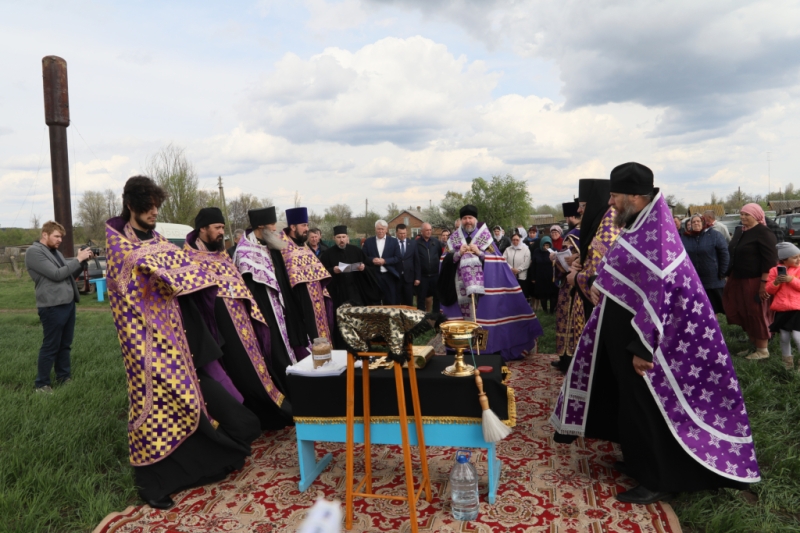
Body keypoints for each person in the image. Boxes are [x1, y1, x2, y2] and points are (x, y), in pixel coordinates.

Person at [552, 162, 760, 505]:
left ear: (635, 196)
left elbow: (659, 296)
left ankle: (659, 477)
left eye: (616, 196)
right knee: (631, 405)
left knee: (648, 407)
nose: (612, 203)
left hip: (651, 345)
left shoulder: (657, 234)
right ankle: (639, 461)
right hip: (629, 337)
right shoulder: (638, 225)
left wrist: (642, 347)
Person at [106, 176, 260, 510]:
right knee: (154, 407)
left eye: (156, 206)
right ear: (131, 205)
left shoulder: (160, 239)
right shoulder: (119, 246)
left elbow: (187, 275)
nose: (153, 212)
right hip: (145, 341)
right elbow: (127, 297)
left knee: (191, 403)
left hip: (180, 337)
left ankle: (201, 463)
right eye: (147, 207)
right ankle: (152, 482)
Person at [185, 207, 292, 431]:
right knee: (238, 370)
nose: (221, 233)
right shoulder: (189, 258)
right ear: (202, 229)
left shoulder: (221, 255)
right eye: (217, 228)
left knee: (254, 367)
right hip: (217, 326)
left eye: (223, 228)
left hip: (242, 320)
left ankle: (268, 411)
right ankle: (250, 415)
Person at [438, 204, 543, 361]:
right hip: (457, 291)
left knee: (481, 321)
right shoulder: (453, 240)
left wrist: (480, 253)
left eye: (470, 218)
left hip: (483, 291)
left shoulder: (485, 239)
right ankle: (460, 351)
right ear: (461, 220)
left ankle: (481, 353)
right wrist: (458, 254)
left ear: (476, 220)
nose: (467, 221)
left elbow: (498, 261)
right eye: (465, 218)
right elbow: (443, 261)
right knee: (458, 321)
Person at [233, 206, 305, 371]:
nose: (275, 228)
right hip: (265, 310)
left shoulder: (270, 244)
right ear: (260, 226)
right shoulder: (245, 251)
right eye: (272, 224)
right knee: (274, 347)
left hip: (282, 305)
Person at [25, 220, 93, 393]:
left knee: (65, 345)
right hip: (52, 306)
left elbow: (69, 276)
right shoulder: (34, 252)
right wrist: (77, 258)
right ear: (45, 235)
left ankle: (63, 377)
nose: (59, 240)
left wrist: (83, 263)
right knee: (51, 345)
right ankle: (42, 384)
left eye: (61, 237)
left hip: (68, 303)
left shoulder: (55, 252)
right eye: (56, 236)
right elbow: (56, 275)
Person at [723, 203, 778, 360]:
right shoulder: (740, 231)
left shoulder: (763, 233)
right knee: (743, 311)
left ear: (756, 215)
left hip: (755, 280)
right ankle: (753, 345)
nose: (742, 217)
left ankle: (762, 350)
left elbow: (770, 261)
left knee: (757, 312)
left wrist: (763, 284)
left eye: (747, 214)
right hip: (738, 278)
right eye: (741, 214)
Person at [319, 225, 381, 347]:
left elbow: (370, 268)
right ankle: (342, 346)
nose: (341, 240)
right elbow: (321, 272)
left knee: (358, 319)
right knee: (340, 320)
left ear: (347, 237)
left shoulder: (356, 251)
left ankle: (361, 345)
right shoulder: (327, 254)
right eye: (338, 237)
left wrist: (364, 268)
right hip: (338, 293)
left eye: (343, 237)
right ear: (334, 238)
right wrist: (332, 270)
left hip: (355, 292)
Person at [281, 207, 334, 347]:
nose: (307, 229)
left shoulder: (304, 247)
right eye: (303, 225)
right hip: (298, 302)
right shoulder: (283, 248)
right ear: (292, 226)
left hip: (316, 299)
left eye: (307, 225)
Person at [568, 179, 619, 322]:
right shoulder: (601, 222)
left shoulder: (608, 226)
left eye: (582, 205)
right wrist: (581, 259)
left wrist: (576, 278)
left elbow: (600, 270)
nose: (578, 210)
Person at [553, 201, 583, 373]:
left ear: (572, 217)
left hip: (570, 285)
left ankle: (566, 359)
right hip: (583, 283)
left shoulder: (571, 236)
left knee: (567, 320)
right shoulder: (588, 233)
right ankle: (571, 359)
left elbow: (565, 263)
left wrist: (555, 260)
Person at [681, 214, 730, 314]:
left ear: (703, 222)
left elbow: (724, 254)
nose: (696, 223)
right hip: (693, 279)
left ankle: (714, 327)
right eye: (693, 222)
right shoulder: (685, 238)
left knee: (713, 308)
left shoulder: (714, 235)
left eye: (698, 221)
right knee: (698, 308)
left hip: (713, 278)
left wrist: (723, 272)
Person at [766, 242, 800, 371]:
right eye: (795, 257)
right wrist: (776, 282)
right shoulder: (774, 271)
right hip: (782, 309)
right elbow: (769, 290)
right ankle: (787, 363)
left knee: (797, 337)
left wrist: (791, 280)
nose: (799, 259)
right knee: (784, 337)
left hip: (797, 308)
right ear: (784, 260)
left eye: (799, 256)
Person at [362, 219, 402, 305]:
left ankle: (389, 318)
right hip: (374, 275)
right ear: (375, 229)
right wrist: (372, 260)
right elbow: (363, 257)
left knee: (390, 301)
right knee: (374, 301)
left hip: (389, 275)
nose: (380, 231)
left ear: (386, 229)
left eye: (382, 229)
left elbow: (398, 257)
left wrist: (385, 261)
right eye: (378, 229)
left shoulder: (393, 241)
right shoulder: (368, 242)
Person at [416, 223, 442, 312]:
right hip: (423, 276)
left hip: (435, 275)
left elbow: (439, 256)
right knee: (421, 298)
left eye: (430, 230)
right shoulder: (416, 243)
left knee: (437, 297)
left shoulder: (436, 242)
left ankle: (435, 318)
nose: (429, 232)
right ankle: (421, 319)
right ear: (422, 231)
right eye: (427, 230)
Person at [530, 236, 558, 313]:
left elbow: (558, 264)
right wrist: (533, 277)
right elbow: (533, 265)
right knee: (542, 295)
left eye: (548, 245)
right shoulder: (537, 251)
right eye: (544, 245)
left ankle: (552, 310)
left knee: (553, 294)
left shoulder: (554, 251)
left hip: (552, 276)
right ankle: (545, 310)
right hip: (540, 277)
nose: (546, 247)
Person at [394, 224, 420, 306]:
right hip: (396, 277)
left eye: (404, 233)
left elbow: (416, 261)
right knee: (396, 301)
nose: (403, 235)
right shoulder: (392, 243)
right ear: (396, 233)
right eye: (401, 233)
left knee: (408, 302)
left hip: (409, 278)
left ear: (407, 232)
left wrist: (417, 277)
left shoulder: (412, 244)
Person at [503, 232, 531, 299]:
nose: (515, 241)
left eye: (517, 240)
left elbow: (527, 262)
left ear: (520, 240)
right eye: (513, 240)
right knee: (511, 293)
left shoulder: (526, 249)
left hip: (521, 276)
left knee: (522, 293)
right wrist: (511, 269)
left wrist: (518, 270)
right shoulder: (508, 249)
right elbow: (503, 260)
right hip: (510, 275)